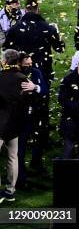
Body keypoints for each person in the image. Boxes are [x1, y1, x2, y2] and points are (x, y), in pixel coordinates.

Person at [4, 0, 65, 155]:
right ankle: (41, 140)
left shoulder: (15, 28)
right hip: (42, 73)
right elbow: (60, 48)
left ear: (25, 9)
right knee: (41, 107)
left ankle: (15, 138)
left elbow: (7, 51)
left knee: (17, 104)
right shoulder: (48, 28)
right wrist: (57, 32)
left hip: (20, 73)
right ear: (38, 9)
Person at [0, 49, 29, 203]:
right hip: (15, 125)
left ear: (4, 61)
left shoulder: (0, 77)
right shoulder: (23, 78)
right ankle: (10, 192)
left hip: (0, 125)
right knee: (13, 158)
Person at [16, 52, 48, 187]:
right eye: (26, 65)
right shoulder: (13, 75)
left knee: (40, 140)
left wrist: (35, 87)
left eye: (30, 64)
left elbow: (44, 89)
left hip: (36, 113)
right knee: (20, 148)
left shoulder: (36, 72)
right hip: (19, 117)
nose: (29, 66)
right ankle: (20, 178)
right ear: (19, 64)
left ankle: (36, 164)